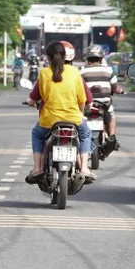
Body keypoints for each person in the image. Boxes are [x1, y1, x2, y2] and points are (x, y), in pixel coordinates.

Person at [25, 41, 96, 184]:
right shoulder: (74, 73)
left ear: (48, 58)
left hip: (48, 121)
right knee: (86, 134)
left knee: (37, 134)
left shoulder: (44, 73)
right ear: (65, 56)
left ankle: (37, 168)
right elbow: (82, 100)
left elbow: (33, 99)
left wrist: (29, 102)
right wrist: (80, 115)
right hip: (74, 119)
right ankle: (84, 168)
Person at [80, 44, 122, 154]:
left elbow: (77, 88)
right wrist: (119, 90)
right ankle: (112, 138)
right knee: (112, 117)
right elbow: (115, 88)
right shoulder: (109, 71)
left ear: (88, 60)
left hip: (87, 106)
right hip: (105, 105)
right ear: (101, 58)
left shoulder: (82, 72)